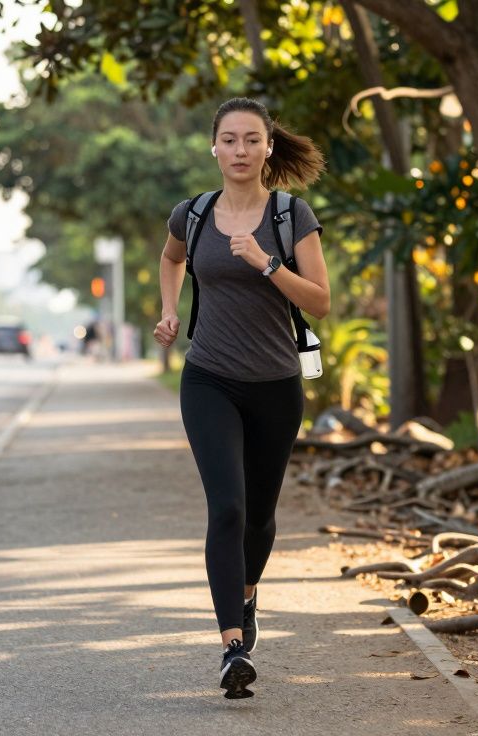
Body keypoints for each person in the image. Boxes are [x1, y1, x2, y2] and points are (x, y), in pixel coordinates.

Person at [153, 97, 329, 700]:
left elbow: (321, 300)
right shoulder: (194, 214)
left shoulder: (289, 214)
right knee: (226, 507)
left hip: (276, 385)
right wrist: (170, 311)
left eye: (251, 140)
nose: (240, 151)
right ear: (214, 147)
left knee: (259, 516)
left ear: (268, 148)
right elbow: (170, 258)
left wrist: (266, 263)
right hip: (208, 379)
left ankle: (247, 592)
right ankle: (233, 647)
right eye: (229, 140)